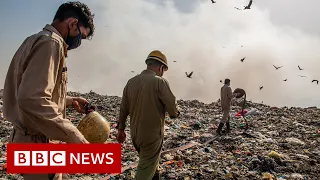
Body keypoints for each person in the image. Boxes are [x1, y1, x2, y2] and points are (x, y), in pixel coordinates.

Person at [2, 1, 95, 180]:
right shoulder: (51, 43)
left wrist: (68, 100)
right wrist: (73, 135)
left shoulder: (34, 39)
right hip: (37, 143)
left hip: (26, 139)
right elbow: (32, 98)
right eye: (81, 36)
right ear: (73, 24)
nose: (78, 42)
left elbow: (33, 89)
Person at [116, 50, 180, 180]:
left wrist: (121, 130)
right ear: (161, 67)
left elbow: (123, 109)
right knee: (145, 169)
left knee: (150, 162)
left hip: (135, 135)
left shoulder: (131, 82)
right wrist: (176, 112)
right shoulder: (159, 82)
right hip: (152, 136)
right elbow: (173, 110)